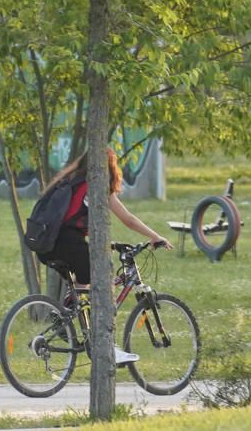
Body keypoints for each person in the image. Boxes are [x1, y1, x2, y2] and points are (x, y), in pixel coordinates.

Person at [36, 148, 173, 364]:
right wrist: (155, 236)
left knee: (86, 283)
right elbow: (127, 218)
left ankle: (67, 316)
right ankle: (105, 345)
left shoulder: (72, 180)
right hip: (66, 241)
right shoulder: (96, 185)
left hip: (48, 243)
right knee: (104, 283)